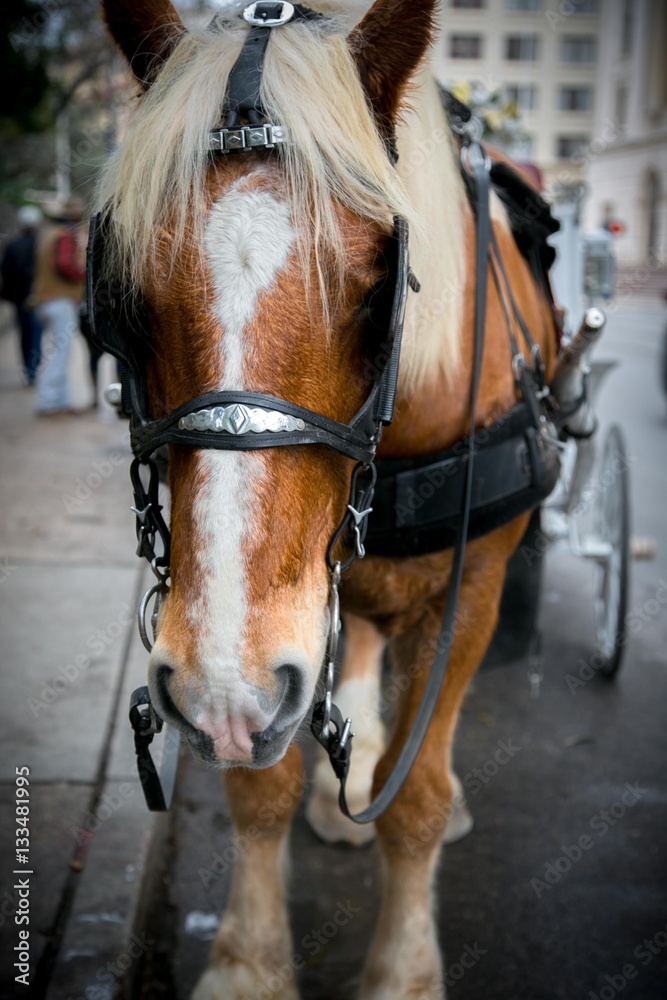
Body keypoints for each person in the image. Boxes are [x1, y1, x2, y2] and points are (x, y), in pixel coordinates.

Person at [31, 196, 86, 417]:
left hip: (46, 301)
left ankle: (61, 402)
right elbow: (65, 265)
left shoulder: (47, 234)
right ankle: (48, 402)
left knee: (61, 353)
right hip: (60, 301)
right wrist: (84, 274)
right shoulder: (65, 235)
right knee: (60, 355)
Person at [0, 204, 43, 385]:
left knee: (25, 333)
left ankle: (29, 369)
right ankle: (33, 368)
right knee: (35, 333)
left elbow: (5, 272)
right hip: (36, 296)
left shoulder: (12, 244)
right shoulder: (41, 243)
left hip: (19, 298)